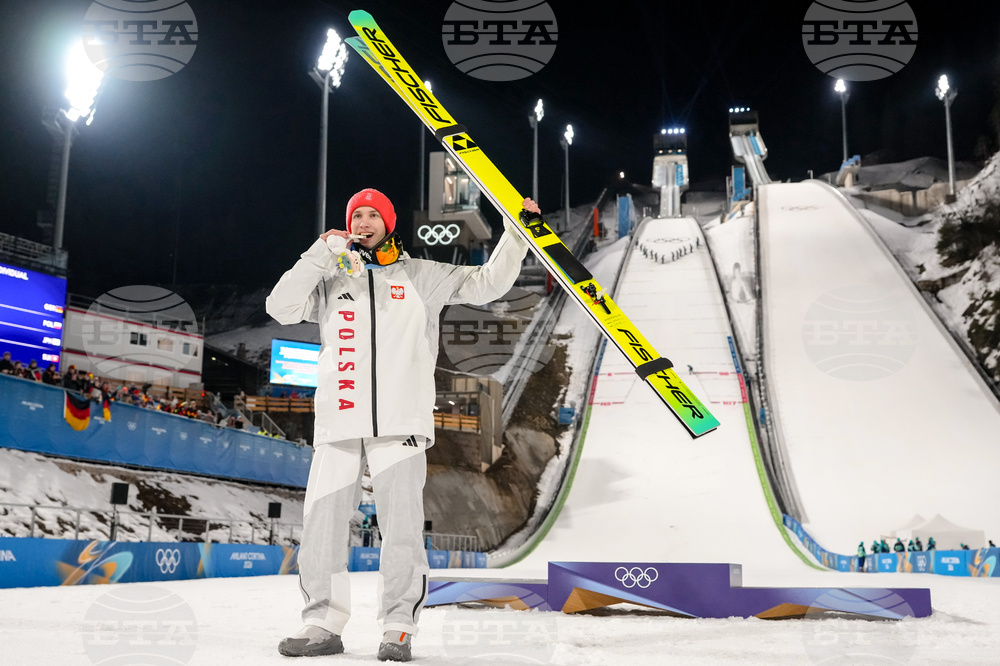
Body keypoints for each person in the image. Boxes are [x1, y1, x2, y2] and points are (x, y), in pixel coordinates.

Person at [267, 188, 530, 661]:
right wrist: (319, 253)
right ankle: (322, 622)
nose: (363, 222)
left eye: (373, 215)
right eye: (357, 215)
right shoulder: (329, 278)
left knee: (401, 528)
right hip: (339, 421)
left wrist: (516, 232)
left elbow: (488, 283)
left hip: (400, 422)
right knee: (322, 524)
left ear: (388, 223)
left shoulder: (422, 275)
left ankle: (399, 625)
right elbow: (279, 307)